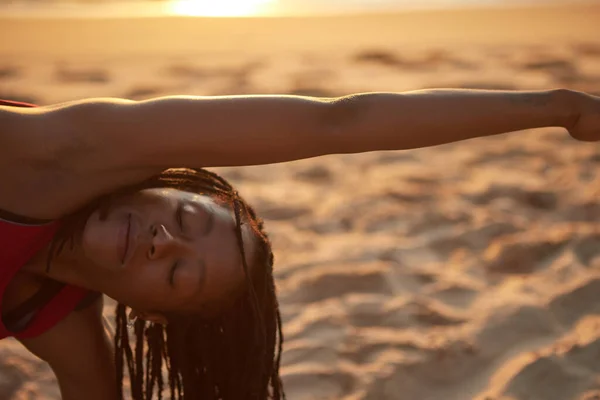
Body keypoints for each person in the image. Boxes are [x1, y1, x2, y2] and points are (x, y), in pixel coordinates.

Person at [0, 88, 598, 400]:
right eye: (184, 217)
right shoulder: (63, 149)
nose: (163, 241)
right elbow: (335, 122)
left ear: (151, 313)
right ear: (167, 182)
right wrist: (559, 108)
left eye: (180, 275)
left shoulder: (53, 317)